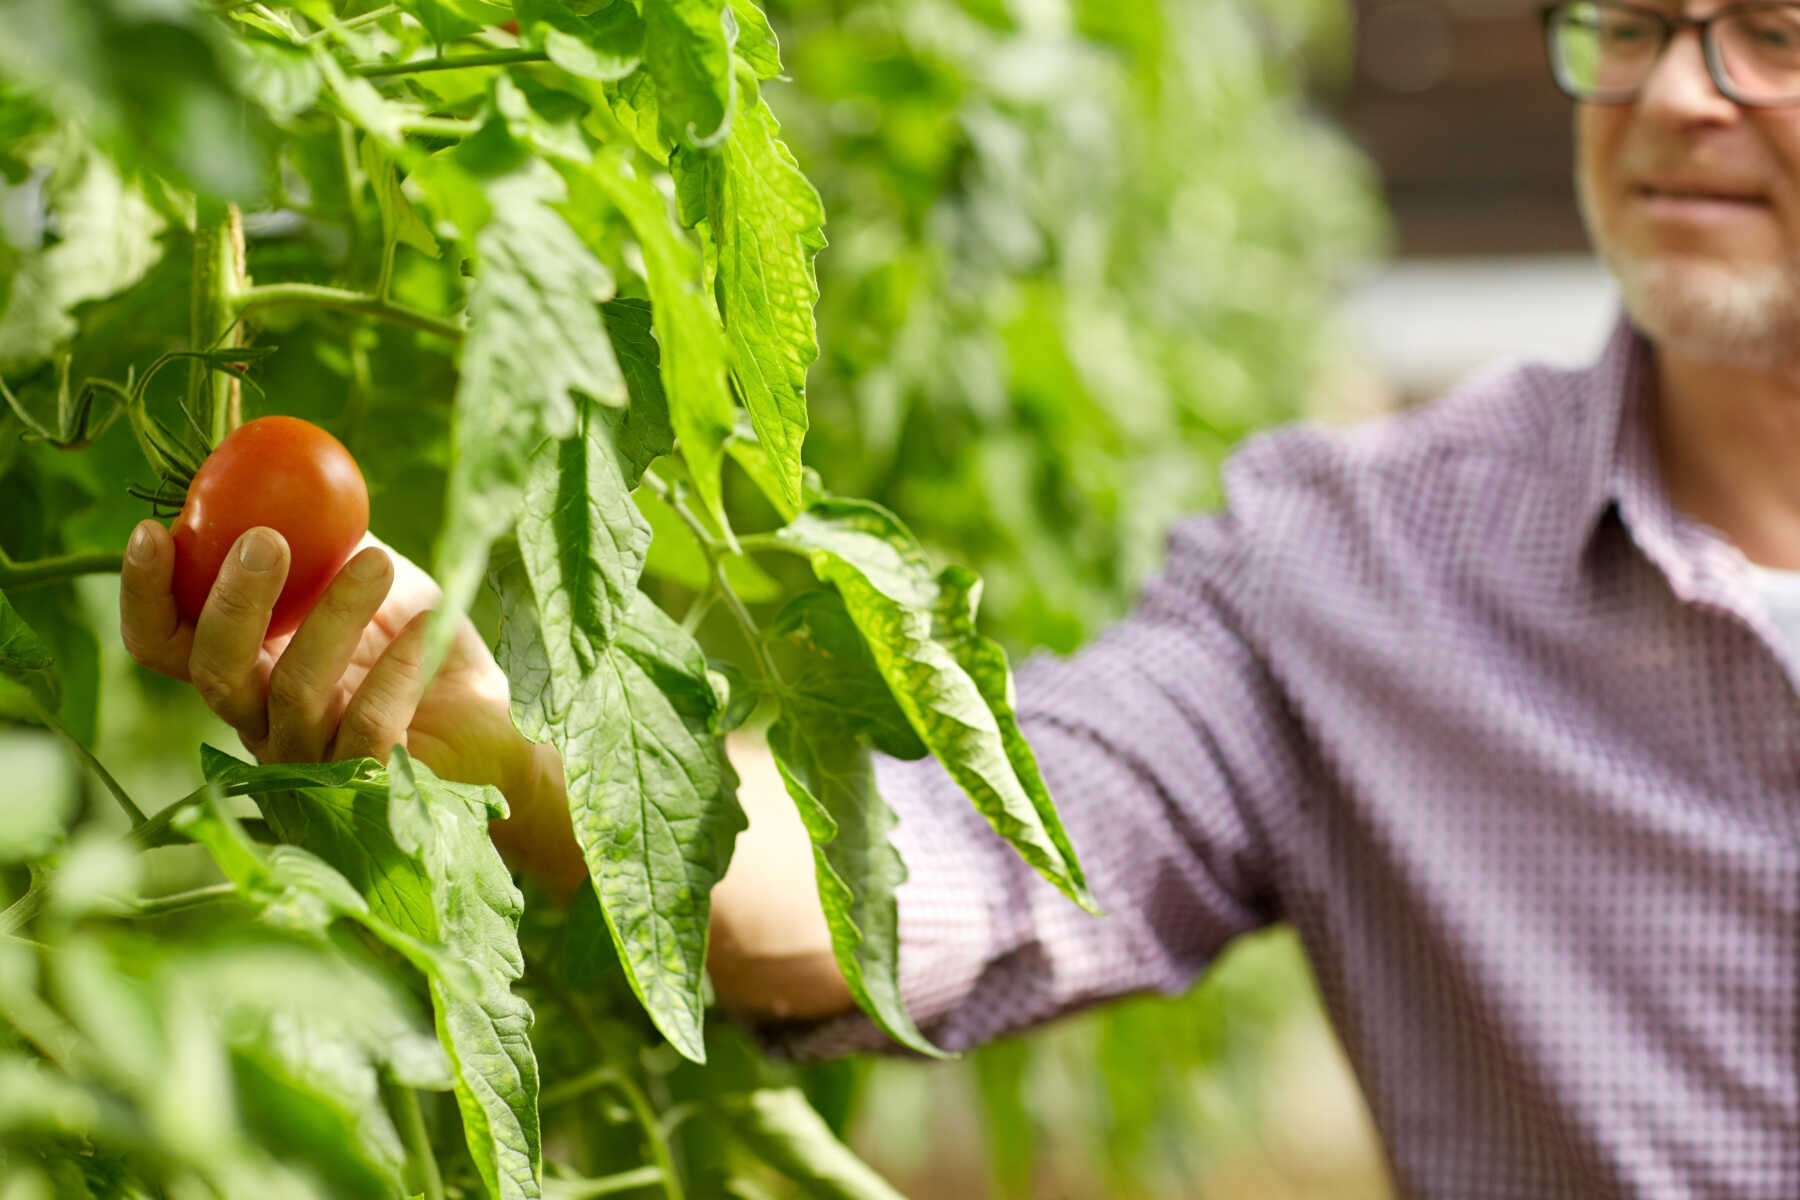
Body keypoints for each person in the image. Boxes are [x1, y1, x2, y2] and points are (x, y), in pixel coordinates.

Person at [119, 4, 1800, 1194]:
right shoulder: (1367, 569)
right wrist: (526, 751)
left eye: (1773, 35)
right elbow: (949, 868)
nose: (1675, 96)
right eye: (1635, 22)